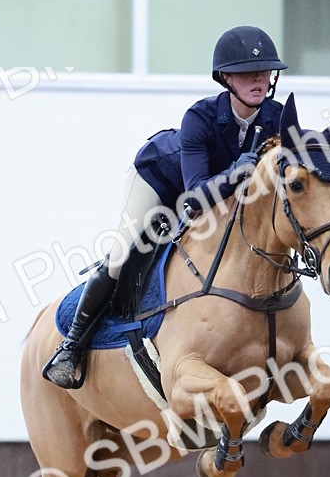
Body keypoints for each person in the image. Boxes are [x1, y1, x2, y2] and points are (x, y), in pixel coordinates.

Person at [42, 25, 289, 388]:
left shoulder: (277, 119)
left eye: (264, 71)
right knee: (122, 253)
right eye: (246, 73)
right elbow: (193, 198)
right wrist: (237, 172)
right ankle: (72, 346)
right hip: (159, 183)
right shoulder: (200, 117)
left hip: (214, 195)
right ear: (225, 78)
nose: (258, 79)